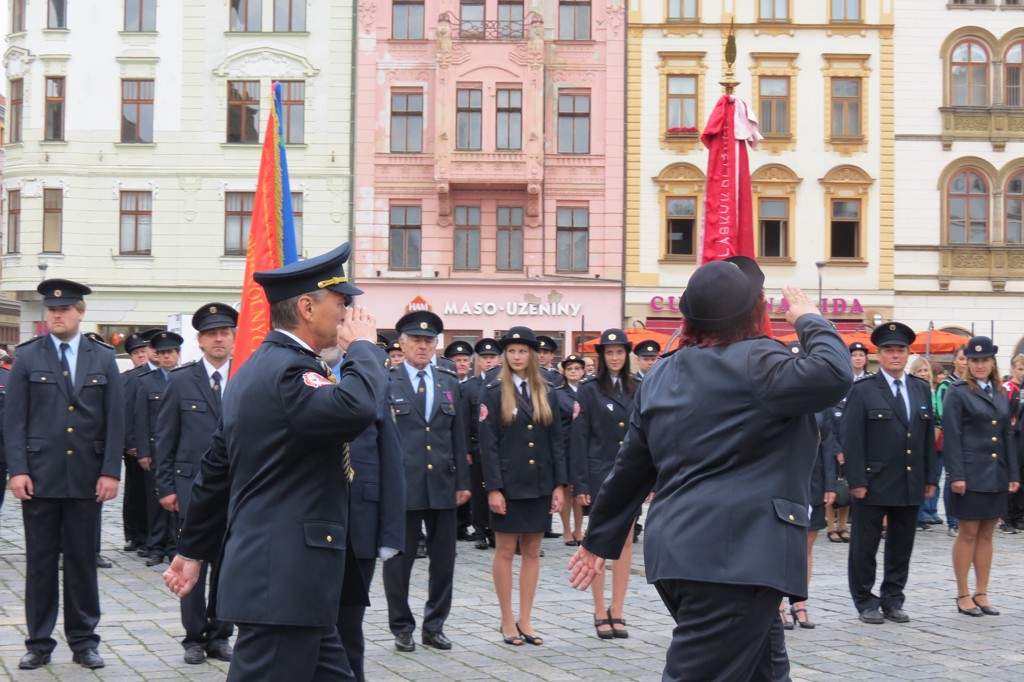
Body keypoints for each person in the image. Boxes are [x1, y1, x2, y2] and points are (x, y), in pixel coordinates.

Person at [569, 258, 851, 681]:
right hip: (737, 556)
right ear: (755, 312)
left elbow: (631, 466)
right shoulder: (761, 360)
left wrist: (600, 538)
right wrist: (809, 317)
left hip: (683, 552)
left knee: (764, 672)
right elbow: (834, 372)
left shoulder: (662, 371)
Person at [163, 243, 385, 681]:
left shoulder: (254, 370)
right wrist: (364, 349)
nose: (347, 315)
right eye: (341, 303)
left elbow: (215, 472)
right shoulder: (289, 372)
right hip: (283, 581)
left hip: (296, 584)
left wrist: (191, 549)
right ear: (307, 306)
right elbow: (356, 408)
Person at [6, 279, 125, 671]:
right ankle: (39, 643)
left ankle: (84, 641)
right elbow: (15, 420)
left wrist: (110, 471)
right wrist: (18, 470)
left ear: (80, 312)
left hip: (87, 479)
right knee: (40, 564)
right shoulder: (28, 356)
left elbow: (115, 421)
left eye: (65, 308)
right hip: (39, 478)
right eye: (52, 309)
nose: (57, 314)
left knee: (81, 563)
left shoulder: (102, 357)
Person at [154, 304, 238, 664]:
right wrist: (165, 487)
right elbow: (166, 438)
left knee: (227, 565)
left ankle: (221, 634)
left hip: (236, 491)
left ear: (234, 337)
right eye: (211, 334)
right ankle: (193, 636)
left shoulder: (246, 377)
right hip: (190, 490)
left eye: (224, 332)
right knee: (190, 561)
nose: (218, 339)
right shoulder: (182, 380)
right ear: (200, 340)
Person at [382, 310, 470, 653]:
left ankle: (435, 626)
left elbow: (458, 435)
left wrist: (463, 481)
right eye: (415, 340)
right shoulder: (387, 382)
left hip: (443, 484)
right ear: (401, 344)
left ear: (436, 345)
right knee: (398, 561)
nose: (422, 346)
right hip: (403, 485)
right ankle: (401, 626)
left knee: (444, 561)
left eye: (428, 341)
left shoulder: (448, 381)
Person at [843, 322, 938, 625]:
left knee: (901, 546)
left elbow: (926, 438)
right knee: (865, 546)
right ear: (879, 355)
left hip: (910, 480)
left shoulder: (920, 388)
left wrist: (931, 478)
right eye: (889, 350)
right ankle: (865, 600)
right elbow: (852, 439)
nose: (895, 356)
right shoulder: (863, 390)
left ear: (908, 354)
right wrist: (856, 480)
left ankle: (893, 599)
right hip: (873, 482)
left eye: (900, 350)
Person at [479, 326, 567, 647]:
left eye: (523, 351)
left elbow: (557, 441)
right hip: (509, 484)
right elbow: (488, 446)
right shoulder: (492, 391)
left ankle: (525, 619)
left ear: (532, 354)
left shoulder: (547, 390)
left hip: (540, 484)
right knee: (504, 552)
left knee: (532, 552)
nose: (517, 356)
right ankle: (506, 620)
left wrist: (559, 485)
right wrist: (494, 488)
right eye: (512, 351)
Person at [324, 344, 406, 682]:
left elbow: (391, 460)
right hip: (312, 523)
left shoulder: (372, 384)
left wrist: (390, 533)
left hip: (361, 522)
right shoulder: (300, 377)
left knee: (349, 625)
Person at [942, 336, 1020, 617]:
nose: (979, 365)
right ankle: (963, 593)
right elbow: (952, 436)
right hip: (970, 474)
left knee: (988, 534)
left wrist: (1013, 473)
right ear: (967, 363)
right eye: (974, 360)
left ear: (992, 362)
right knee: (968, 533)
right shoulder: (958, 391)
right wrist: (956, 475)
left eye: (984, 360)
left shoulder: (1000, 392)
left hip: (996, 474)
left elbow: (1008, 435)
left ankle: (982, 592)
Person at [571, 328, 640, 640]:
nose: (614, 357)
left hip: (630, 476)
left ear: (627, 355)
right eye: (609, 352)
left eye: (619, 352)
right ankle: (599, 609)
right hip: (599, 475)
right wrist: (581, 483)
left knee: (625, 543)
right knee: (597, 542)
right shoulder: (587, 390)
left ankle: (618, 608)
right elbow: (579, 438)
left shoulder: (638, 387)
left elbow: (646, 436)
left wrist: (649, 479)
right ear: (601, 356)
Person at [135, 330, 183, 567]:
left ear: (178, 354)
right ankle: (155, 546)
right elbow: (140, 419)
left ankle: (175, 546)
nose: (166, 357)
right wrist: (142, 451)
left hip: (179, 451)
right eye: (162, 353)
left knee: (177, 501)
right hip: (154, 451)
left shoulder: (185, 379)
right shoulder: (146, 382)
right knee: (155, 501)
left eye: (170, 353)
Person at [463, 338, 502, 550]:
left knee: (497, 488)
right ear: (478, 361)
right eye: (485, 358)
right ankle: (479, 531)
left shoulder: (503, 385)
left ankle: (496, 530)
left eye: (492, 357)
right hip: (476, 446)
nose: (488, 362)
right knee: (478, 491)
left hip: (497, 446)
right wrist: (467, 450)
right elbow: (463, 421)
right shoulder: (470, 388)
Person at [120, 331, 154, 555]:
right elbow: (126, 413)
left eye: (143, 351)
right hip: (135, 446)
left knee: (149, 493)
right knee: (135, 493)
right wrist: (130, 443)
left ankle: (146, 535)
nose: (140, 355)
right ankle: (135, 535)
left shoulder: (156, 375)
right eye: (136, 353)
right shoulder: (129, 378)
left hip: (152, 444)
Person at [444, 340, 475, 541]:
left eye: (465, 360)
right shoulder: (445, 383)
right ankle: (452, 526)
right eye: (457, 360)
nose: (462, 364)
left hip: (469, 444)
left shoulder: (476, 385)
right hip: (448, 445)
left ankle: (463, 525)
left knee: (467, 485)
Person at [937, 346, 969, 537]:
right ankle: (952, 521)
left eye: (967, 359)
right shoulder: (946, 385)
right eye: (962, 359)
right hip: (952, 437)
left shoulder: (973, 384)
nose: (965, 362)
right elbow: (942, 413)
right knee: (951, 478)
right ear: (955, 361)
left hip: (970, 441)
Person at [555, 354, 587, 546]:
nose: (573, 371)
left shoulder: (589, 391)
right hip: (566, 446)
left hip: (584, 447)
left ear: (583, 371)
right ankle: (566, 529)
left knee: (581, 490)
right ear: (564, 372)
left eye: (577, 368)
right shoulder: (558, 393)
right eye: (569, 369)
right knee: (567, 490)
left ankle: (578, 529)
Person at [910, 358, 943, 528]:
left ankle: (922, 514)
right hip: (916, 443)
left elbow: (937, 419)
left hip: (932, 440)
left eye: (925, 370)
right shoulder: (911, 391)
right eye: (919, 371)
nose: (923, 374)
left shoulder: (932, 392)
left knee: (930, 479)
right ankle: (916, 515)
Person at [1003, 354, 1024, 531]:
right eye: (1020, 369)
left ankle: (1019, 516)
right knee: (1012, 477)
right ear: (1012, 369)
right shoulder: (1007, 388)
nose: (1023, 373)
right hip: (1012, 439)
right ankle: (1007, 518)